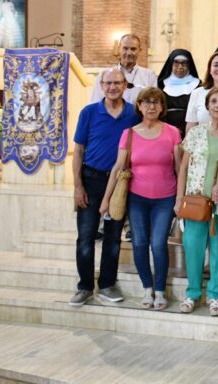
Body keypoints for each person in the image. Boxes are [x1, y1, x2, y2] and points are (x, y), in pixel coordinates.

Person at [100, 87, 182, 311]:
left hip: (165, 198)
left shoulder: (173, 132)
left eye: (156, 102)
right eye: (147, 102)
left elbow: (180, 167)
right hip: (137, 198)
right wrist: (106, 199)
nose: (151, 106)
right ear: (139, 106)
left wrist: (181, 198)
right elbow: (118, 167)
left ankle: (160, 291)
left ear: (162, 107)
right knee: (139, 243)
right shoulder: (130, 133)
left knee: (158, 244)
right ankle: (147, 289)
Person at [70, 68, 140, 306]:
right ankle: (85, 286)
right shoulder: (89, 112)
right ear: (102, 85)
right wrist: (78, 186)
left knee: (113, 236)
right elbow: (78, 151)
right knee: (86, 236)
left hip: (120, 183)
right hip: (91, 179)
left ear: (125, 85)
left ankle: (107, 285)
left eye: (117, 83)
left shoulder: (133, 113)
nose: (112, 87)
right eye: (108, 83)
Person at [175, 87, 218, 316]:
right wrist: (179, 198)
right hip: (195, 202)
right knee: (193, 249)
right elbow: (183, 168)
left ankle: (215, 296)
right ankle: (192, 294)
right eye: (214, 101)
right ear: (207, 106)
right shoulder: (196, 133)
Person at [90, 34, 157, 104]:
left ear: (139, 50)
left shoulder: (149, 76)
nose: (129, 53)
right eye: (125, 48)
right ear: (119, 49)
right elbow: (96, 102)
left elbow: (153, 104)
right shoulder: (104, 75)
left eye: (133, 49)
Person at [157, 49, 201, 137]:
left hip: (191, 129)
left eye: (184, 63)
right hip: (166, 129)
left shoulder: (198, 85)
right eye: (176, 63)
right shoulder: (161, 84)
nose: (180, 66)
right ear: (171, 65)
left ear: (189, 65)